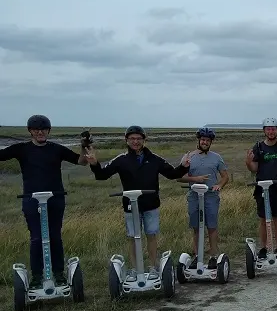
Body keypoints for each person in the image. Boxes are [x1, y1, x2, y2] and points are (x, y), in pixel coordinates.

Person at [87, 126, 190, 279]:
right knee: (133, 237)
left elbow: (172, 174)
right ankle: (136, 269)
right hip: (131, 206)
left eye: (138, 139)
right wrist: (94, 164)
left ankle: (153, 267)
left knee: (151, 235)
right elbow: (102, 175)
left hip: (151, 204)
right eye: (132, 139)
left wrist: (183, 166)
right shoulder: (121, 160)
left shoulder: (154, 159)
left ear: (144, 140)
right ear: (127, 140)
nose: (135, 142)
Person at [0, 115, 90, 289]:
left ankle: (59, 274)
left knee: (55, 237)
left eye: (43, 129)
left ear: (49, 131)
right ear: (30, 131)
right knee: (36, 238)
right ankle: (37, 277)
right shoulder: (21, 149)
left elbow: (81, 161)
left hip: (55, 198)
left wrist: (84, 146)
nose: (40, 132)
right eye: (36, 130)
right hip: (31, 200)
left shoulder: (56, 149)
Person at [246, 117, 277, 259]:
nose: (271, 131)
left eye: (273, 129)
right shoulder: (258, 147)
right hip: (262, 187)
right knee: (263, 218)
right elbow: (254, 169)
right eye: (268, 129)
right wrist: (248, 162)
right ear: (264, 131)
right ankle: (264, 247)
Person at [177, 127, 229, 268]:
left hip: (211, 196)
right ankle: (197, 256)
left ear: (210, 142)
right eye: (203, 140)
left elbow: (225, 177)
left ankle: (213, 256)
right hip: (194, 195)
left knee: (211, 226)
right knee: (196, 227)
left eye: (207, 140)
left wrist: (219, 185)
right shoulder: (189, 157)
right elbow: (179, 178)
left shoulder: (216, 157)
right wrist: (196, 178)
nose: (205, 142)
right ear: (199, 141)